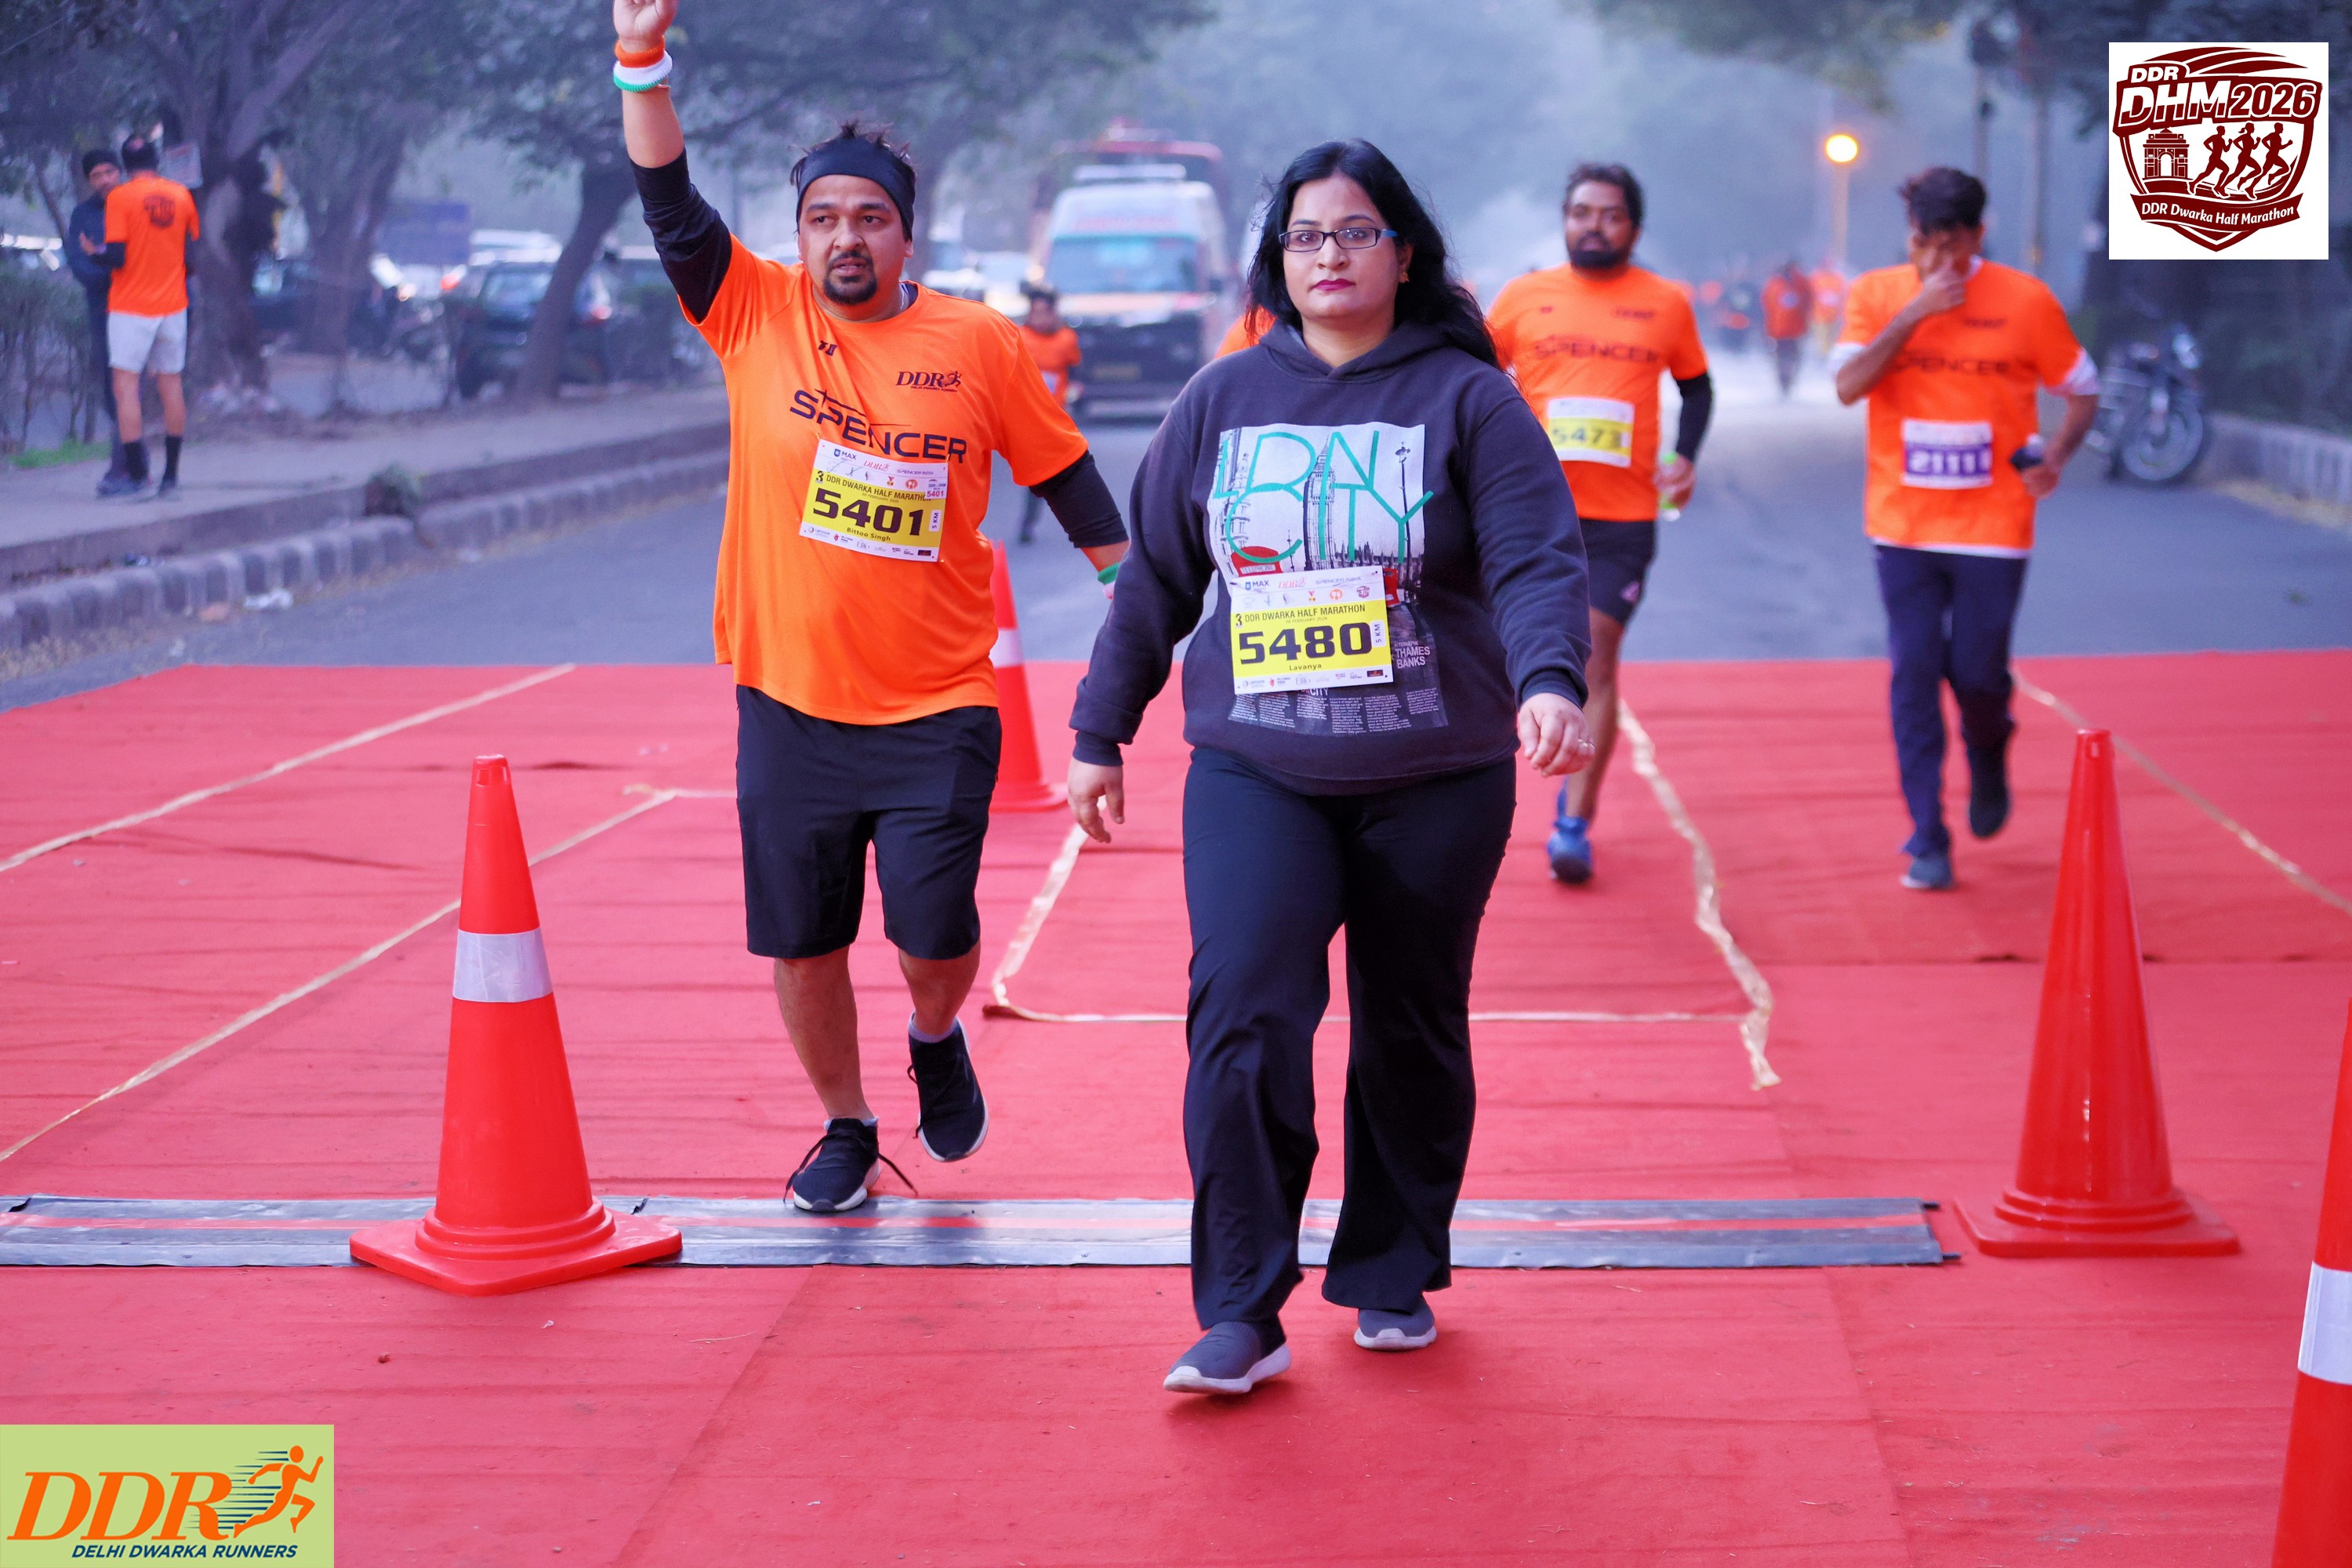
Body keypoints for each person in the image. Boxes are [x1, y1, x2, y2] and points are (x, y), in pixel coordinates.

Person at [1067, 139, 1595, 1396]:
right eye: (1306, 236)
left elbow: (1533, 556)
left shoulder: (1471, 401)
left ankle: (1391, 1264)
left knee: (1410, 1021)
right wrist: (1099, 729)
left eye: (1356, 232)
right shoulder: (1221, 400)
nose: (1330, 256)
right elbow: (1155, 580)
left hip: (1437, 772)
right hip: (1260, 770)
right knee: (1244, 1011)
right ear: (1278, 262)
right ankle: (1239, 1308)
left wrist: (1549, 679)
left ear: (1404, 255)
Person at [614, 0, 1129, 1210]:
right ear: (798, 233)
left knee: (932, 935)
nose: (845, 238)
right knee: (804, 941)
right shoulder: (752, 310)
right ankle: (846, 1124)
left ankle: (936, 1037)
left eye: (869, 218)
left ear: (907, 233)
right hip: (787, 698)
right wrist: (642, 61)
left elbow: (1065, 475)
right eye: (822, 218)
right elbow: (669, 201)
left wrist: (1141, 599)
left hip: (938, 703)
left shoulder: (982, 344)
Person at [1831, 167, 2099, 891]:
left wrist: (2057, 455)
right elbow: (1848, 386)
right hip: (1903, 525)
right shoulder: (1878, 294)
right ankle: (1927, 834)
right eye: (1923, 242)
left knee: (1978, 673)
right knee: (1914, 670)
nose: (1936, 259)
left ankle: (1989, 743)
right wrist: (1914, 313)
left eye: (1951, 245)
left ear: (1978, 236)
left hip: (1993, 524)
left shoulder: (2024, 300)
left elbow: (2083, 389)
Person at [1486, 162, 1711, 886]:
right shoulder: (1523, 298)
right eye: (1582, 212)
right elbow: (1475, 377)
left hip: (1621, 516)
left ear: (1633, 228)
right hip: (1530, 510)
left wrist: (1685, 456)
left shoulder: (1665, 302)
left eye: (1611, 215)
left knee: (1597, 656)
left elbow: (1697, 387)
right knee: (1499, 655)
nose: (1595, 226)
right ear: (1565, 219)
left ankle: (1574, 821)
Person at [100, 135, 198, 499]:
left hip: (130, 308)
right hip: (173, 306)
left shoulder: (119, 198)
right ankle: (171, 477)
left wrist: (94, 252)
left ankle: (140, 477)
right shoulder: (181, 195)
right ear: (156, 160)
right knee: (171, 385)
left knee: (126, 389)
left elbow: (117, 256)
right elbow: (191, 252)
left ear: (124, 166)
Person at [64, 149, 134, 495]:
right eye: (96, 175)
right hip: (103, 311)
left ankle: (124, 469)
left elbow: (143, 258)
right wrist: (116, 270)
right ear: (89, 180)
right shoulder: (83, 214)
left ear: (119, 172)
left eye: (109, 172)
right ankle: (134, 464)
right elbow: (81, 265)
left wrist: (106, 259)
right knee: (111, 390)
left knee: (128, 389)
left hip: (140, 310)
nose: (105, 180)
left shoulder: (136, 205)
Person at [1014, 288, 1083, 543]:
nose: (1040, 318)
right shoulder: (1018, 336)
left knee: (1049, 471)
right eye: (1036, 312)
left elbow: (1075, 371)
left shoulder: (1066, 338)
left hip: (1054, 416)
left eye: (1045, 313)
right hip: (1023, 415)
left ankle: (1032, 522)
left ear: (1054, 314)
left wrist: (1075, 396)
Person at [1760, 258, 1813, 399]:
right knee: (1785, 358)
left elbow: (1808, 302)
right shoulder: (1776, 285)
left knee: (1790, 357)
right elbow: (1767, 308)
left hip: (1791, 330)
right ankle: (1784, 382)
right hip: (1782, 331)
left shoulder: (1797, 283)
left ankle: (1787, 381)